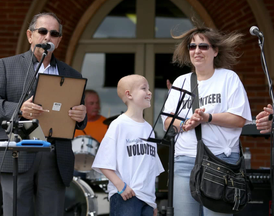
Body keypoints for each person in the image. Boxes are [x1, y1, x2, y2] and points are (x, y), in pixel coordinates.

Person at [0, 12, 87, 216]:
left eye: (53, 33)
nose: (47, 37)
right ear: (30, 35)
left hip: (54, 154)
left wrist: (81, 115)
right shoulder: (7, 65)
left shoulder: (72, 74)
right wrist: (19, 110)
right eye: (42, 31)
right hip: (18, 151)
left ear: (58, 40)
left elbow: (79, 117)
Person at [162, 27, 252, 216]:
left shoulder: (228, 78)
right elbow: (167, 121)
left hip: (220, 161)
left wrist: (207, 118)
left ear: (215, 51)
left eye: (203, 46)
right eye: (192, 46)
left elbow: (239, 119)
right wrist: (185, 123)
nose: (197, 51)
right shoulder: (181, 82)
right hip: (185, 160)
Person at [92, 74, 164, 216]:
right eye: (144, 88)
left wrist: (153, 202)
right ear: (129, 94)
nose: (149, 92)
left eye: (149, 89)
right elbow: (103, 162)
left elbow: (151, 169)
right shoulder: (119, 124)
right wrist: (121, 187)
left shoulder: (149, 128)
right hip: (126, 196)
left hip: (147, 200)